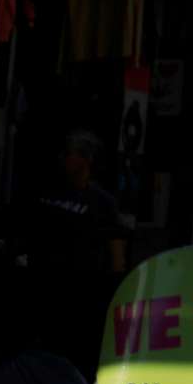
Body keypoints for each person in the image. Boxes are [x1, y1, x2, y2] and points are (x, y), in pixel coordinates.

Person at [22, 128, 129, 368]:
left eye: (69, 153)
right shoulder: (48, 193)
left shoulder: (102, 203)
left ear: (85, 159)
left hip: (80, 301)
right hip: (43, 293)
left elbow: (116, 256)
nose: (63, 159)